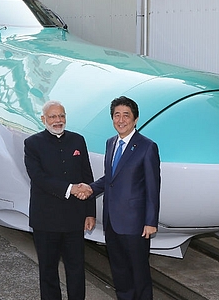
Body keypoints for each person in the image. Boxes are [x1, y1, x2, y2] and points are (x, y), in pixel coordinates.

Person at [76, 96, 161, 300]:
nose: (121, 120)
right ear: (112, 118)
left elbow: (153, 186)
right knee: (120, 273)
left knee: (139, 274)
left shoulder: (147, 147)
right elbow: (110, 178)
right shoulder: (111, 143)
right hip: (112, 222)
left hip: (136, 224)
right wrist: (90, 188)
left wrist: (150, 221)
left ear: (135, 119)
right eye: (117, 115)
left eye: (126, 115)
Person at [24, 100, 96, 300]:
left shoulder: (78, 141)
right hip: (45, 221)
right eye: (53, 116)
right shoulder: (32, 144)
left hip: (74, 219)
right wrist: (70, 189)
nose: (58, 120)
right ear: (43, 119)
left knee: (77, 270)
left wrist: (90, 212)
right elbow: (38, 178)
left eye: (61, 116)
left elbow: (87, 177)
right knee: (48, 272)